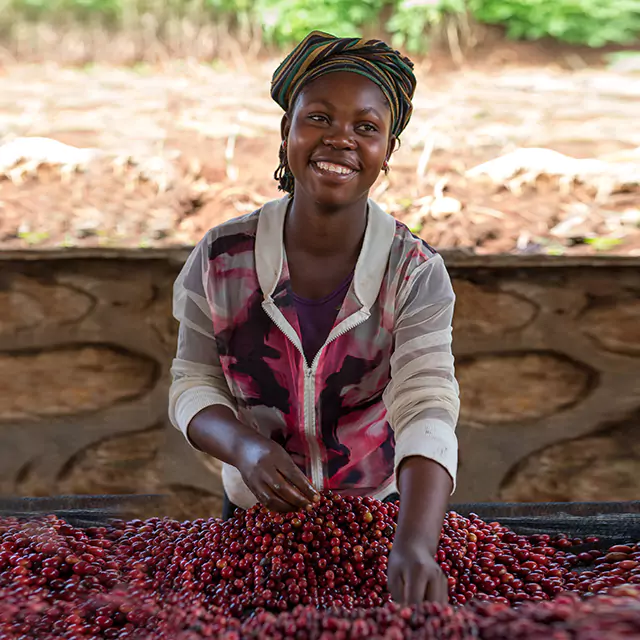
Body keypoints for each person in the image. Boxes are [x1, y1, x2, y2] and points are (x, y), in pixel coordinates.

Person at [169, 30, 460, 606]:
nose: (341, 139)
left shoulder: (414, 271)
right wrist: (244, 448)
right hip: (255, 519)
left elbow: (427, 402)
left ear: (388, 151)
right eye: (319, 118)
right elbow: (192, 383)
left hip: (381, 522)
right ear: (287, 132)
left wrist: (417, 543)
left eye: (366, 127)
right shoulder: (224, 256)